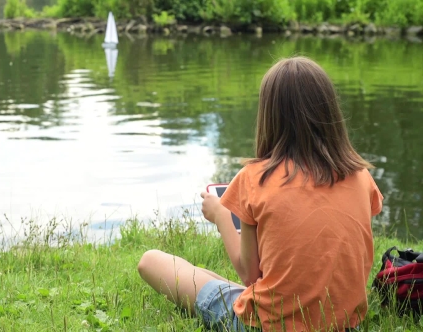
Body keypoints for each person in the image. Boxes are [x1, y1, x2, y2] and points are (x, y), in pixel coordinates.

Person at [137, 56, 384, 331]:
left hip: (270, 324)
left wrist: (220, 215)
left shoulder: (255, 178)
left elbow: (250, 274)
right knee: (209, 280)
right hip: (345, 324)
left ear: (270, 116)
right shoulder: (362, 178)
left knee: (151, 261)